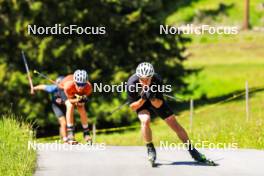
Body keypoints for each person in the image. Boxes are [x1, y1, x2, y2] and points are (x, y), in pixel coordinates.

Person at [127, 62, 211, 166]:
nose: (145, 82)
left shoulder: (157, 80)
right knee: (145, 120)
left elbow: (158, 105)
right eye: (142, 79)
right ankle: (150, 149)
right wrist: (143, 99)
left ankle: (193, 151)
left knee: (174, 123)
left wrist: (152, 97)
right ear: (138, 77)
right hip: (140, 104)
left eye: (147, 79)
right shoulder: (131, 83)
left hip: (156, 101)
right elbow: (132, 107)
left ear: (152, 77)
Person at [59, 69, 92, 144]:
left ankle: (86, 133)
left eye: (83, 84)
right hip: (63, 89)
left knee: (81, 106)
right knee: (70, 106)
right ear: (75, 82)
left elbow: (83, 99)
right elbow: (71, 100)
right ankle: (70, 133)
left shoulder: (88, 87)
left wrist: (82, 99)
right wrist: (77, 100)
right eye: (79, 84)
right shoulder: (68, 86)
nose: (81, 87)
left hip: (75, 92)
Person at [33, 76, 68, 143]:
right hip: (56, 106)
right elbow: (43, 86)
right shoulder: (53, 88)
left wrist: (63, 102)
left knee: (69, 122)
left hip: (65, 105)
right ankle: (65, 139)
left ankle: (69, 137)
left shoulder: (68, 89)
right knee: (63, 122)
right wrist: (34, 88)